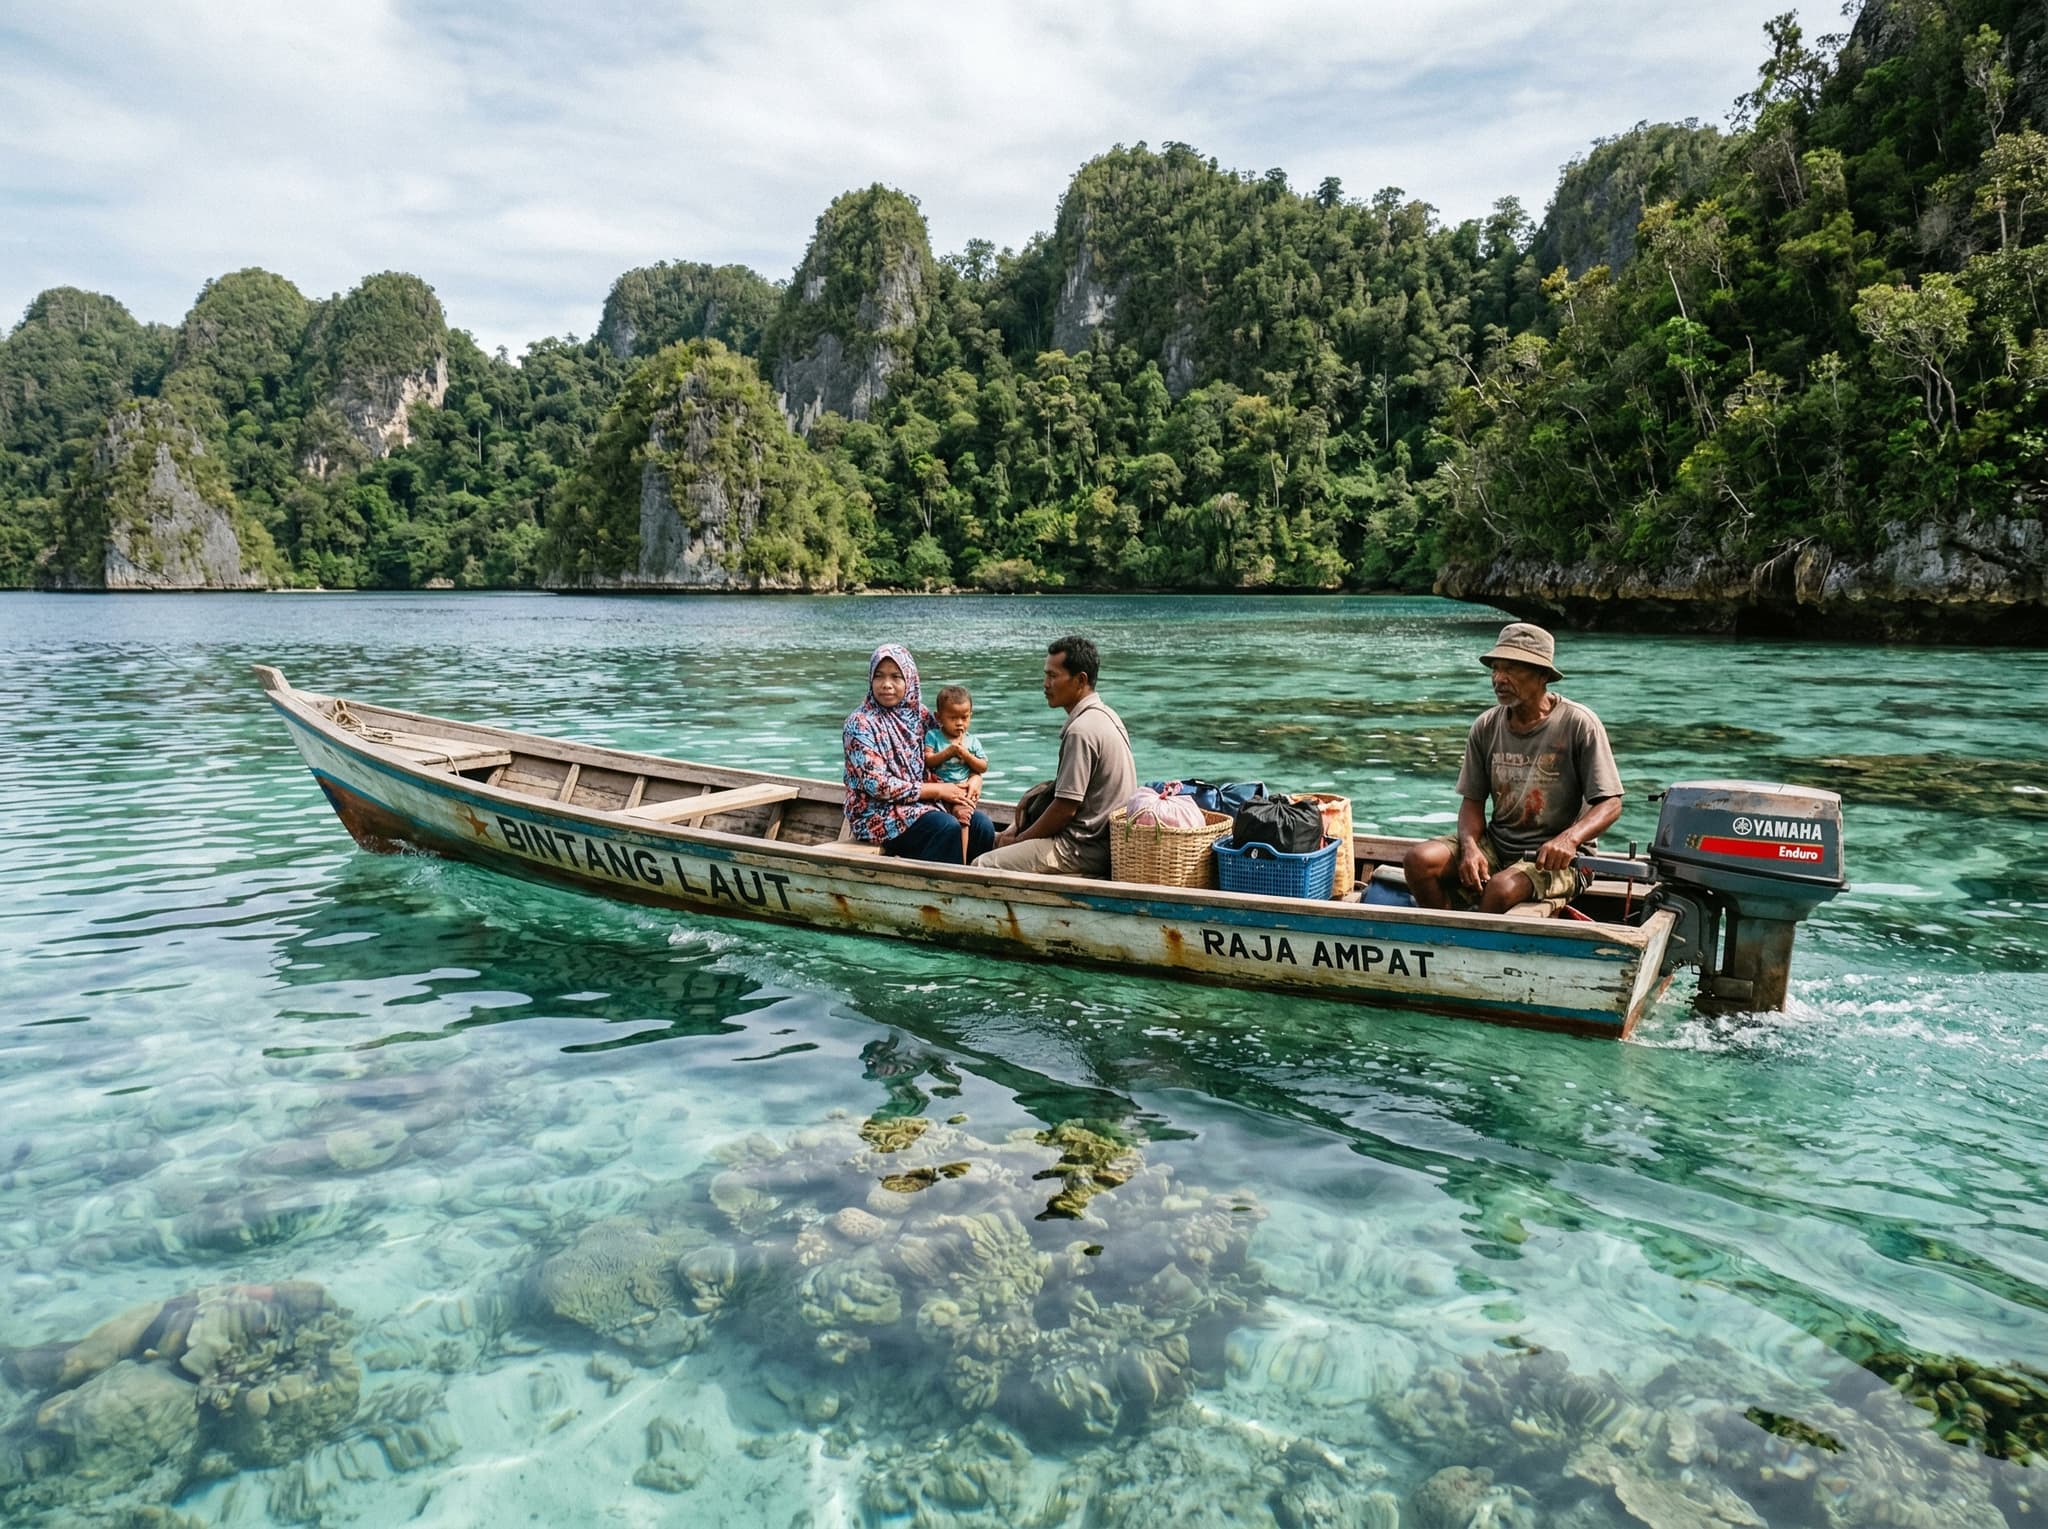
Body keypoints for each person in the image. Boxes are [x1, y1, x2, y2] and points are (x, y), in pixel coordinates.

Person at [1403, 622, 1622, 914]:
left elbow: (1611, 803)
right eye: (1495, 669)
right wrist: (1470, 847)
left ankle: (1473, 946)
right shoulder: (1486, 725)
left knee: (1501, 888)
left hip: (1562, 860)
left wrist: (1569, 840)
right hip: (1497, 844)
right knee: (1419, 861)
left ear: (1542, 675)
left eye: (1511, 669)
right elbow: (1473, 802)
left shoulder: (1578, 723)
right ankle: (1448, 937)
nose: (1498, 679)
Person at [976, 636, 1136, 877]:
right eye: (1046, 675)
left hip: (1081, 850)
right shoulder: (1107, 716)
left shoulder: (1081, 731)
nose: (1045, 684)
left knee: (982, 865)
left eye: (1053, 676)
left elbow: (1065, 809)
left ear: (1080, 680)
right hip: (1104, 843)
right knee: (1001, 838)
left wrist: (1020, 840)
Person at [842, 644, 995, 864]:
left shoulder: (920, 715)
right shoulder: (860, 724)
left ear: (910, 679)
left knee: (982, 826)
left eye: (896, 677)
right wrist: (938, 790)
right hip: (877, 813)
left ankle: (974, 890)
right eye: (879, 676)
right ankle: (944, 892)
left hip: (924, 804)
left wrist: (975, 778)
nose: (887, 685)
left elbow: (947, 753)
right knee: (945, 827)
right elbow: (878, 786)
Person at [923, 685, 988, 802]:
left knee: (963, 811)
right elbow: (928, 761)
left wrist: (966, 755)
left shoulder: (972, 741)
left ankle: (963, 820)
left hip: (963, 789)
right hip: (939, 789)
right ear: (938, 717)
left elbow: (983, 767)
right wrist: (949, 752)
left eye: (964, 718)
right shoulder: (933, 736)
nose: (959, 723)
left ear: (970, 716)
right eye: (952, 718)